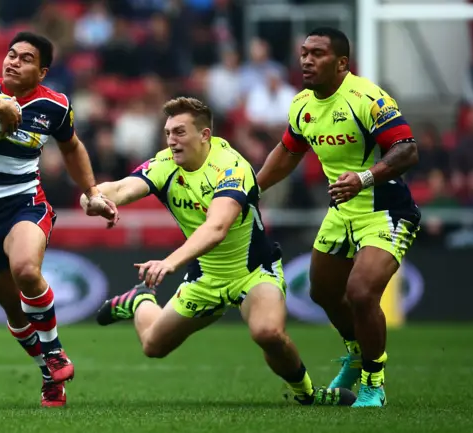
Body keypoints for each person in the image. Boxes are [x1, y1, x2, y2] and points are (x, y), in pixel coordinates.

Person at [80, 96, 355, 406]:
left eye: (180, 132)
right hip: (206, 278)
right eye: (168, 133)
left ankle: (308, 394)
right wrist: (92, 199)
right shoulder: (165, 164)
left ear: (205, 135)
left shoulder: (232, 167)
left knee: (268, 333)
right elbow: (118, 188)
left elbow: (217, 228)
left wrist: (170, 262)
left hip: (252, 273)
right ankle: (140, 300)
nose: (172, 141)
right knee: (152, 346)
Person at [0, 31, 119, 407]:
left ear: (43, 71)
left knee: (27, 270)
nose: (13, 62)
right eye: (11, 54)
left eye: (25, 58)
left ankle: (55, 352)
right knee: (15, 313)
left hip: (25, 205)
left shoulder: (55, 106)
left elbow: (72, 147)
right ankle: (49, 375)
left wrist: (93, 193)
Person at [256, 27, 420, 408]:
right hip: (341, 211)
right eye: (304, 53)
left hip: (385, 210)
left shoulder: (367, 98)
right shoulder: (301, 104)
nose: (306, 60)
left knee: (361, 292)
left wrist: (364, 177)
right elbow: (288, 152)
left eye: (317, 54)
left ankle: (373, 382)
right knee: (323, 293)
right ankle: (356, 352)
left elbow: (407, 150)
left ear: (342, 63)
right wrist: (250, 190)